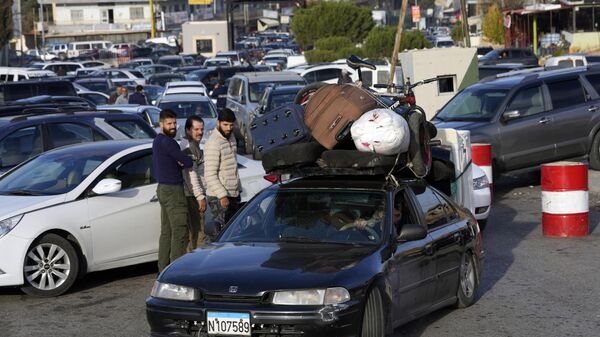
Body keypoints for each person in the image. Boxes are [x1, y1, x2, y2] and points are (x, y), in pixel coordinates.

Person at [152, 109, 193, 272]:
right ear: (161, 124)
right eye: (169, 123)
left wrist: (179, 161)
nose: (173, 126)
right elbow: (186, 161)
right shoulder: (168, 142)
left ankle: (163, 270)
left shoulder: (157, 141)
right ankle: (176, 272)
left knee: (167, 232)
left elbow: (174, 160)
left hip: (162, 188)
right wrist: (188, 159)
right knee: (179, 231)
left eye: (175, 123)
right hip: (173, 190)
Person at [204, 108, 242, 234]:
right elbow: (209, 174)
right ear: (218, 122)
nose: (228, 128)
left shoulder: (231, 137)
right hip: (218, 196)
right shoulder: (213, 143)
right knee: (220, 234)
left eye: (231, 125)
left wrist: (238, 189)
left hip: (233, 194)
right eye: (225, 125)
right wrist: (222, 195)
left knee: (234, 233)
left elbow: (232, 167)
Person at [180, 115, 208, 251]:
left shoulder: (194, 146)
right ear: (187, 130)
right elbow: (190, 174)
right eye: (196, 129)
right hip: (192, 196)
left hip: (194, 195)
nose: (200, 132)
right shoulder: (188, 148)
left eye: (202, 129)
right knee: (198, 235)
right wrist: (199, 196)